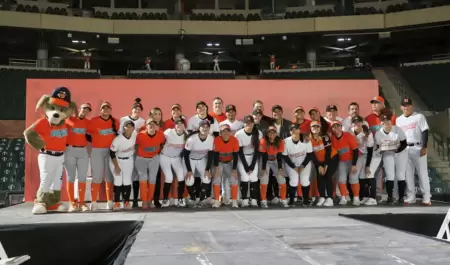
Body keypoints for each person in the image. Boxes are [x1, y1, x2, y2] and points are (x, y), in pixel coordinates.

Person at [396, 97, 431, 205]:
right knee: (408, 174)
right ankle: (411, 196)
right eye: (404, 105)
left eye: (408, 105)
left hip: (418, 147)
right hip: (405, 148)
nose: (406, 107)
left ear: (411, 106)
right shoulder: (398, 120)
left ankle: (426, 197)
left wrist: (424, 147)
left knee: (422, 173)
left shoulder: (419, 116)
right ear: (401, 107)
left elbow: (425, 131)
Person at [88, 102, 119, 210]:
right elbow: (87, 135)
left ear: (111, 109)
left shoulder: (115, 121)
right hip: (97, 150)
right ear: (100, 110)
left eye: (108, 108)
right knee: (97, 176)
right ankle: (93, 201)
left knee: (109, 176)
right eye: (103, 108)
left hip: (111, 151)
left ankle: (109, 201)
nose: (105, 110)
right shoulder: (93, 121)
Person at [365, 96, 397, 202]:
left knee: (390, 172)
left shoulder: (391, 117)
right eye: (372, 103)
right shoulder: (368, 118)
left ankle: (392, 195)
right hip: (376, 149)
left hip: (389, 149)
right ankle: (377, 193)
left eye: (377, 103)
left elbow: (395, 133)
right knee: (375, 171)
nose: (374, 105)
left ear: (383, 105)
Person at [374, 109, 408, 205]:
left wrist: (396, 150)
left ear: (390, 121)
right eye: (384, 122)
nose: (387, 123)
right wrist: (381, 150)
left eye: (388, 121)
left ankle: (401, 197)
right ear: (381, 123)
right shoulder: (378, 134)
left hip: (400, 152)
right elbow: (378, 147)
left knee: (401, 174)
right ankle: (390, 197)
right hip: (387, 153)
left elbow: (404, 144)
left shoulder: (397, 129)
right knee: (390, 175)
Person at [64, 103, 91, 212]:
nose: (85, 111)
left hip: (83, 151)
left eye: (87, 109)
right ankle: (72, 203)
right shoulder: (69, 119)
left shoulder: (88, 123)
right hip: (70, 150)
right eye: (83, 108)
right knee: (70, 177)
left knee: (82, 178)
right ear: (79, 109)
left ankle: (82, 203)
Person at [119, 98, 145, 208]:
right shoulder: (123, 119)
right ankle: (124, 200)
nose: (137, 111)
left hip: (136, 151)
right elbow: (120, 134)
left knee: (135, 175)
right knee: (123, 175)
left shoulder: (142, 121)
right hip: (124, 151)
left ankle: (134, 199)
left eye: (139, 109)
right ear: (132, 109)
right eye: (135, 108)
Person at [135, 118, 166, 209]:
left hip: (154, 159)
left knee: (152, 179)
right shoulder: (140, 135)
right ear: (146, 126)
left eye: (154, 124)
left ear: (157, 126)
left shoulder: (161, 135)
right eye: (149, 124)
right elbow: (136, 146)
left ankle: (150, 200)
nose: (152, 126)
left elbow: (162, 144)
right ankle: (144, 201)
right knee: (143, 178)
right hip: (141, 159)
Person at [184, 120, 215, 208]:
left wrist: (207, 169)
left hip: (201, 159)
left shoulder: (211, 138)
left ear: (209, 129)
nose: (205, 129)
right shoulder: (192, 139)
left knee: (206, 178)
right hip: (190, 159)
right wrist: (189, 170)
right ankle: (192, 199)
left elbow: (210, 154)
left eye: (207, 127)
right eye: (203, 127)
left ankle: (202, 199)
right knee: (189, 179)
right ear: (199, 128)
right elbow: (185, 154)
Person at [282, 124, 314, 207]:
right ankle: (292, 200)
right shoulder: (286, 141)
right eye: (292, 130)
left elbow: (310, 154)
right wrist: (294, 167)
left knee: (304, 181)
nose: (294, 131)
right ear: (290, 132)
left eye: (296, 129)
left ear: (299, 130)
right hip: (292, 163)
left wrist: (303, 166)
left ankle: (306, 200)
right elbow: (285, 156)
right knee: (294, 180)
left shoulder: (306, 140)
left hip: (305, 163)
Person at [235, 115, 263, 207]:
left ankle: (254, 199)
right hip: (242, 158)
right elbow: (240, 152)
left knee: (254, 177)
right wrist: (247, 167)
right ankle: (244, 199)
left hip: (253, 158)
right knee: (245, 177)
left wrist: (252, 166)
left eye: (251, 122)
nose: (249, 124)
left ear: (253, 123)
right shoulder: (239, 134)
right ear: (244, 123)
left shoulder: (258, 133)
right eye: (247, 123)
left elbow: (257, 151)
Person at [159, 118, 188, 207]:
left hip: (176, 158)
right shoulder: (169, 132)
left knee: (181, 176)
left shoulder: (186, 135)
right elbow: (160, 139)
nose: (179, 125)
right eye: (177, 124)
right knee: (169, 177)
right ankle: (165, 199)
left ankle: (180, 199)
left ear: (184, 126)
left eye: (181, 124)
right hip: (165, 157)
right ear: (175, 126)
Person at [309, 121, 338, 207]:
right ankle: (322, 197)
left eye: (317, 127)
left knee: (328, 175)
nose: (315, 128)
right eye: (313, 127)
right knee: (320, 177)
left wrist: (325, 165)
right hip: (319, 161)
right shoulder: (308, 140)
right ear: (310, 129)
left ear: (320, 128)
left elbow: (328, 152)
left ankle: (330, 198)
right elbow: (312, 155)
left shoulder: (325, 137)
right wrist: (319, 166)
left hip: (332, 159)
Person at [330, 120, 359, 205]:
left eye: (338, 126)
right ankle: (343, 197)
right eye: (334, 127)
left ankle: (356, 197)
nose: (336, 128)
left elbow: (355, 151)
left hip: (352, 160)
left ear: (341, 127)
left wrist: (354, 164)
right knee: (341, 179)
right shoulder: (332, 138)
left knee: (353, 179)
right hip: (341, 161)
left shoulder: (348, 136)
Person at [349, 116, 376, 206]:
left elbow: (370, 150)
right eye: (355, 122)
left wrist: (367, 165)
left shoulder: (367, 132)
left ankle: (373, 198)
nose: (357, 124)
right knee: (361, 176)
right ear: (352, 124)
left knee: (369, 174)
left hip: (371, 155)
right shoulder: (350, 132)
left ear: (362, 123)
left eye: (359, 122)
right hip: (359, 155)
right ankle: (364, 196)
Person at [109, 120, 136, 210]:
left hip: (128, 160)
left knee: (127, 181)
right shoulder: (118, 139)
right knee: (118, 181)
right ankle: (117, 203)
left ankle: (126, 202)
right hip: (116, 160)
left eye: (131, 126)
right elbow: (112, 153)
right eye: (127, 126)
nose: (129, 128)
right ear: (124, 128)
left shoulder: (135, 135)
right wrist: (116, 166)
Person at [212, 124, 240, 208]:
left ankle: (234, 201)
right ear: (220, 133)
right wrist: (216, 167)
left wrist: (234, 169)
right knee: (216, 179)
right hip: (219, 162)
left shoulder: (234, 140)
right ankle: (216, 201)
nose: (226, 133)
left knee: (234, 179)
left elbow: (235, 156)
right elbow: (215, 155)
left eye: (227, 131)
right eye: (223, 131)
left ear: (230, 132)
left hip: (229, 162)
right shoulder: (217, 140)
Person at [259, 126, 286, 208]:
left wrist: (280, 168)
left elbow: (279, 155)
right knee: (264, 178)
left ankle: (283, 199)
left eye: (273, 132)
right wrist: (263, 168)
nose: (272, 134)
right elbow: (264, 155)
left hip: (275, 159)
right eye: (270, 132)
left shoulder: (279, 141)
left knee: (281, 178)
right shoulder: (263, 141)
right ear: (267, 133)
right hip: (265, 160)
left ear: (276, 133)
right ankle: (263, 200)